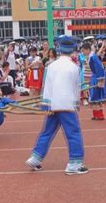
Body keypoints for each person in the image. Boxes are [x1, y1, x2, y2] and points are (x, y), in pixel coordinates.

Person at [26, 36, 88, 175]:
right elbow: (76, 88)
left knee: (47, 132)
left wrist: (46, 106)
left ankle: (35, 158)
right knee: (73, 133)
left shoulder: (51, 66)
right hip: (67, 105)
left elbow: (46, 87)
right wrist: (77, 103)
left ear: (59, 49)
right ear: (73, 49)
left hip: (53, 104)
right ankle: (74, 163)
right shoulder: (75, 67)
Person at [81, 42, 106, 120]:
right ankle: (98, 114)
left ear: (88, 50)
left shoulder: (93, 57)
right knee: (96, 96)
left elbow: (99, 68)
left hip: (99, 77)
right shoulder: (91, 56)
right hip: (96, 77)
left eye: (83, 50)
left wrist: (100, 80)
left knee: (102, 95)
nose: (83, 52)